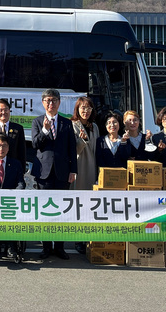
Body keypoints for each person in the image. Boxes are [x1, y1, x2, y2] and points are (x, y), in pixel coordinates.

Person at [31, 89, 77, 260]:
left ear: (59, 103)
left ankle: (59, 247)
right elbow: (35, 144)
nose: (51, 103)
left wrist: (74, 170)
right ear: (43, 102)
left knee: (62, 211)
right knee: (45, 211)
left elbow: (72, 148)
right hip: (43, 172)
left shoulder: (66, 123)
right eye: (48, 100)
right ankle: (46, 247)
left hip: (63, 173)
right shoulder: (37, 122)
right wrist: (44, 130)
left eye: (54, 100)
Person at [69, 96, 98, 254]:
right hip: (79, 170)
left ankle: (88, 237)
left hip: (92, 169)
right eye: (83, 108)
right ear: (77, 109)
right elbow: (72, 150)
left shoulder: (94, 127)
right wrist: (81, 140)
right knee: (79, 205)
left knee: (90, 205)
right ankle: (78, 239)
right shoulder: (72, 125)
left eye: (89, 108)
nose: (85, 111)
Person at [0, 98, 27, 172]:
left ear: (9, 111)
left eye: (6, 109)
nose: (3, 112)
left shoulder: (18, 128)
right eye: (0, 110)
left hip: (12, 166)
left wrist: (22, 169)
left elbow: (22, 150)